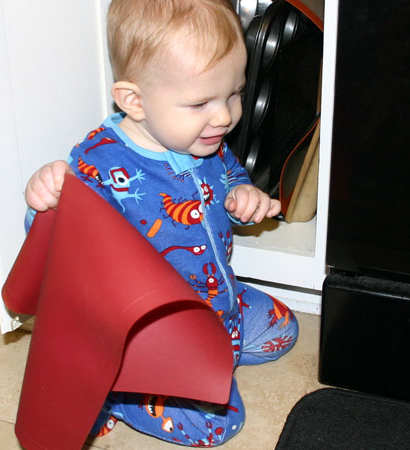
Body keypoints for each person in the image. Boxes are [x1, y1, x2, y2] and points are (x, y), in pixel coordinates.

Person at [23, 0, 298, 446]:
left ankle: (217, 346)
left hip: (215, 301)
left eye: (234, 94)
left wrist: (240, 197)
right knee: (217, 426)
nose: (226, 116)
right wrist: (44, 202)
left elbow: (229, 175)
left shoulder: (205, 139)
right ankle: (118, 390)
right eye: (201, 102)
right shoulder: (98, 164)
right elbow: (60, 247)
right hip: (152, 334)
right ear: (134, 101)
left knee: (284, 331)